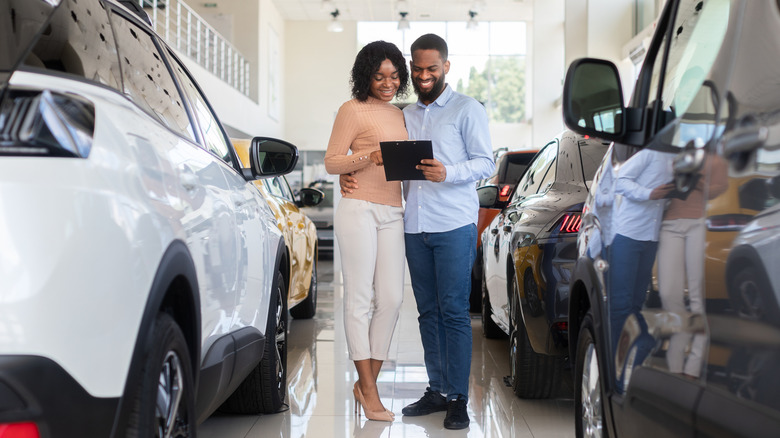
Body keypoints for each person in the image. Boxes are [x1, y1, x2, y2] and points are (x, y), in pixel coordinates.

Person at [341, 33, 494, 430]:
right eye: (418, 69)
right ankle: (438, 389)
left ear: (446, 66)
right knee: (427, 312)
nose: (424, 75)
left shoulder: (466, 109)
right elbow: (374, 156)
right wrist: (349, 175)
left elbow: (485, 163)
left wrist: (450, 172)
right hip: (413, 225)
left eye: (432, 68)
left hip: (454, 225)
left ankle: (458, 396)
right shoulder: (404, 114)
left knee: (454, 312)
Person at [323, 40, 410, 422]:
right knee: (359, 298)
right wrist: (366, 158)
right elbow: (332, 162)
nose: (387, 83)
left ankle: (366, 382)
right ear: (366, 76)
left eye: (394, 76)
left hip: (393, 209)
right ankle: (369, 389)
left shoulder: (400, 115)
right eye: (379, 76)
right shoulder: (352, 110)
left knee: (391, 299)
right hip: (358, 209)